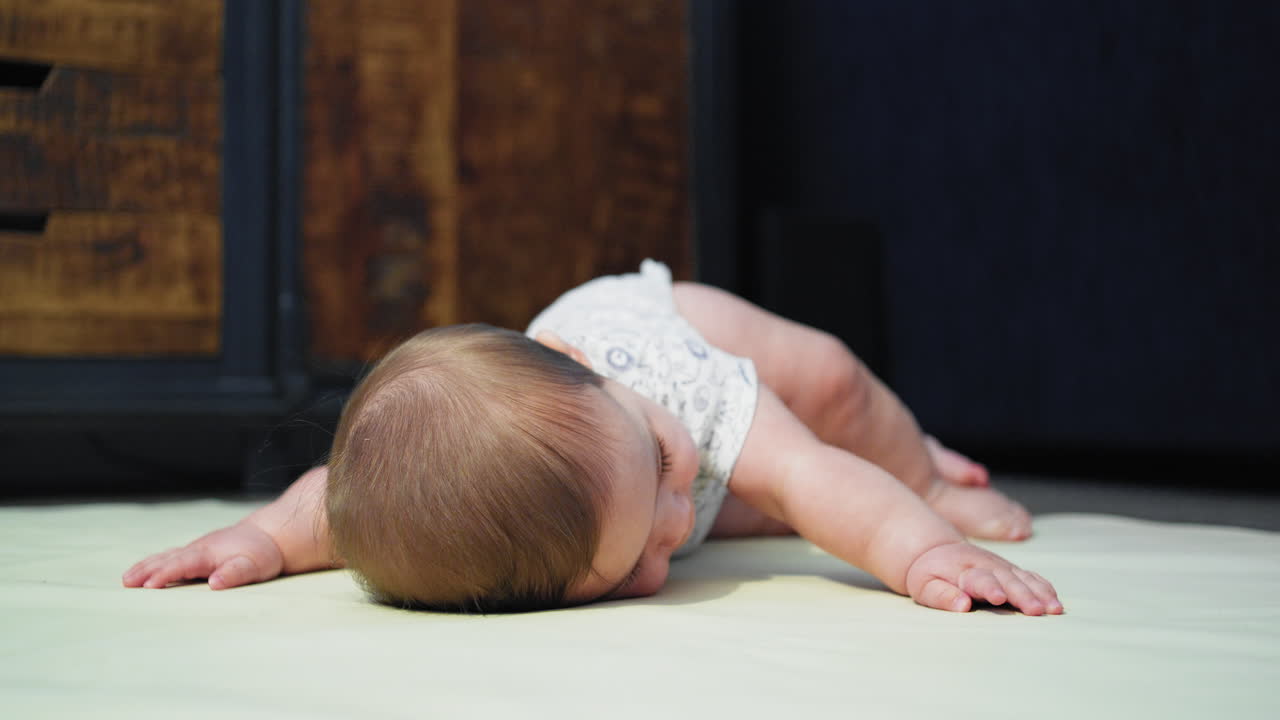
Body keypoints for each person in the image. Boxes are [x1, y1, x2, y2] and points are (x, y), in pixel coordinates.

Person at [123, 261, 1062, 616]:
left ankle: (924, 471)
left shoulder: (675, 396)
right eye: (633, 565)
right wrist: (265, 538)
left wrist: (923, 549)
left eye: (662, 471)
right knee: (747, 505)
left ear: (590, 369)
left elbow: (814, 478)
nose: (673, 523)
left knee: (828, 396)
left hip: (691, 336)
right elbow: (336, 505)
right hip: (641, 432)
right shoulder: (497, 516)